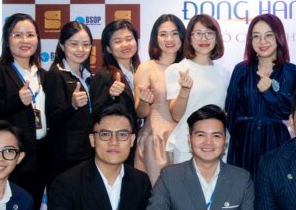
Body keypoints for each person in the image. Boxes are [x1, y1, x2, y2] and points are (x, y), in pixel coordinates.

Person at [0, 13, 49, 210]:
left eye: (30, 35)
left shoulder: (43, 75)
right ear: (7, 39)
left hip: (40, 156)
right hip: (11, 156)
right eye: (17, 35)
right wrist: (16, 101)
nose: (25, 40)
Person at [224, 14, 296, 178]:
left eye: (268, 35)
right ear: (250, 40)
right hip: (243, 143)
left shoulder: (291, 71)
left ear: (279, 37)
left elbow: (290, 111)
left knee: (275, 188)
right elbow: (231, 110)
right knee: (243, 189)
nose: (262, 41)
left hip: (276, 141)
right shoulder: (240, 70)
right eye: (256, 36)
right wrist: (241, 135)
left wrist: (269, 92)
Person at [164, 15, 230, 165]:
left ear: (217, 38)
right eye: (198, 33)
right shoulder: (177, 70)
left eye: (209, 33)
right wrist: (184, 91)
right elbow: (176, 116)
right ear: (190, 38)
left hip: (217, 144)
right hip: (186, 144)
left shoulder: (224, 73)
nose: (204, 38)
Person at [133, 14, 186, 184]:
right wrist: (144, 101)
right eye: (163, 34)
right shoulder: (147, 68)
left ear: (182, 36)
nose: (169, 39)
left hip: (185, 140)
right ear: (155, 38)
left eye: (174, 33)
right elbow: (140, 113)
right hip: (156, 141)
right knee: (157, 193)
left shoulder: (188, 67)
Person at [43, 21, 95, 180]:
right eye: (74, 44)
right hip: (65, 156)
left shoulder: (88, 76)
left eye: (86, 44)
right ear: (62, 45)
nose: (80, 49)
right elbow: (52, 119)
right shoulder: (55, 74)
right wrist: (72, 105)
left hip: (88, 151)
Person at [91, 19, 140, 124]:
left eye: (129, 39)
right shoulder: (103, 75)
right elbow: (95, 114)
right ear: (108, 48)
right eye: (118, 41)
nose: (125, 44)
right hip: (122, 132)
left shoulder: (141, 70)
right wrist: (111, 96)